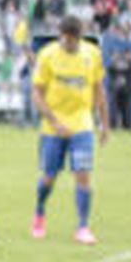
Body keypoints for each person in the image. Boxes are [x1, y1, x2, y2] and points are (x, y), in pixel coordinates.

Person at [31, 15, 108, 244]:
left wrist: (105, 123)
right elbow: (36, 93)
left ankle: (83, 226)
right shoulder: (47, 55)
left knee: (83, 175)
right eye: (67, 41)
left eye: (75, 42)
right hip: (53, 127)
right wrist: (54, 121)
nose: (71, 45)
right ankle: (39, 212)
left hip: (82, 124)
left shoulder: (92, 54)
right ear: (61, 36)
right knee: (49, 177)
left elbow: (98, 90)